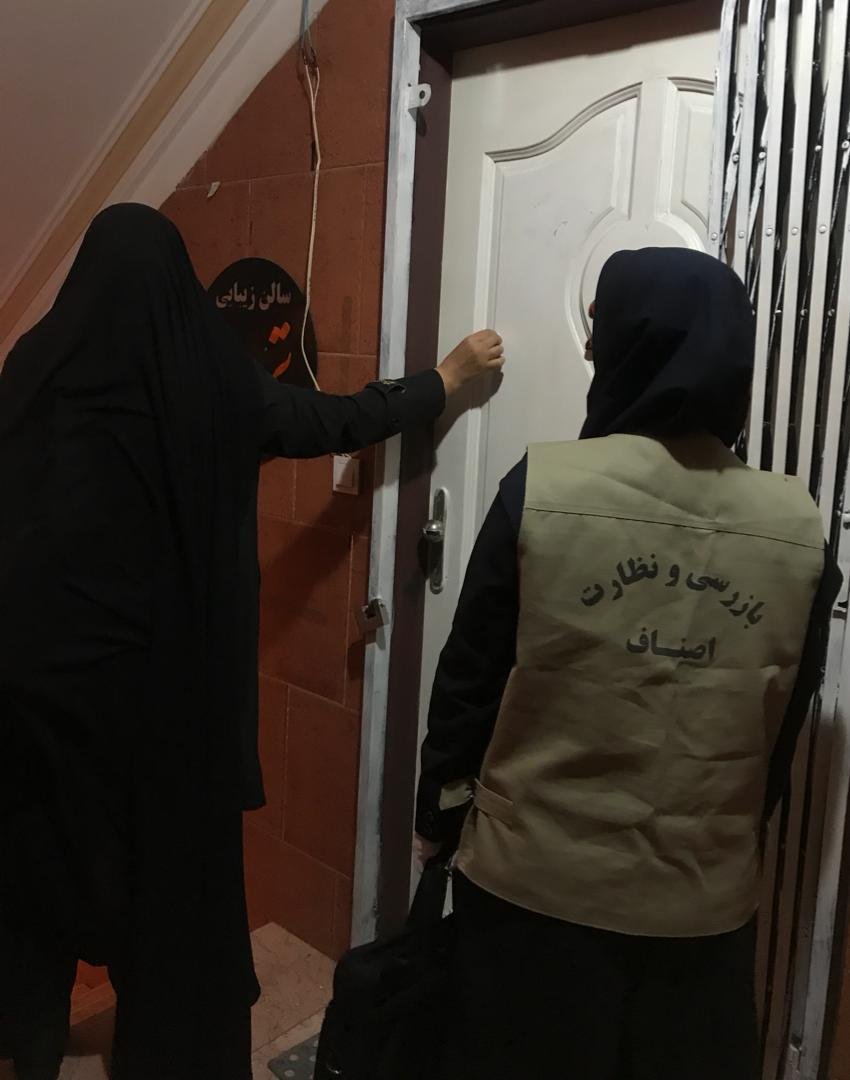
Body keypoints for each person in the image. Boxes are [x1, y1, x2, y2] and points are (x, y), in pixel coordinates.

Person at [0, 203, 504, 1080]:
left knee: (33, 888)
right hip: (165, 717)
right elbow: (334, 419)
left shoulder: (30, 375)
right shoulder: (212, 386)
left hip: (36, 706)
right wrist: (443, 380)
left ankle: (28, 1042)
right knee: (168, 905)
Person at [415, 247, 841, 1080]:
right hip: (702, 907)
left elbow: (469, 680)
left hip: (532, 893)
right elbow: (782, 723)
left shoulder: (540, 489)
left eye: (599, 331)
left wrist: (439, 814)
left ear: (625, 348)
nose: (588, 349)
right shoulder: (798, 529)